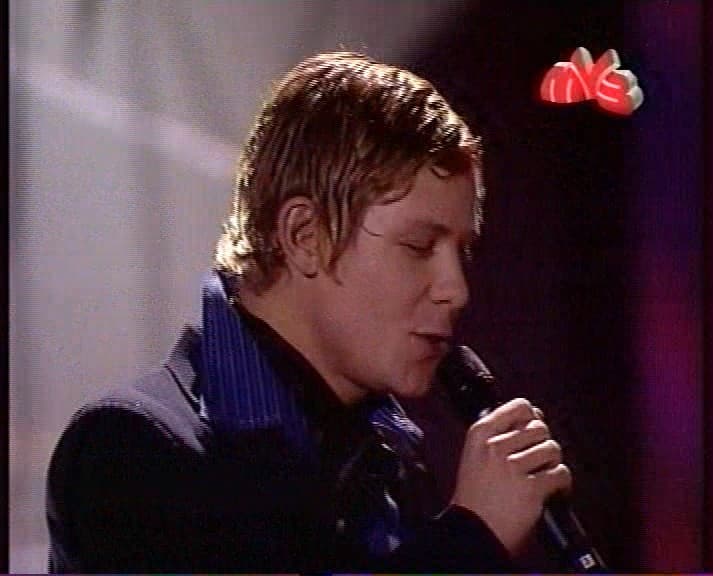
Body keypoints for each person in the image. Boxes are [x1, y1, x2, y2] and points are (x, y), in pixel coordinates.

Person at [46, 51, 572, 573]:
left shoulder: (391, 462)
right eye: (418, 246)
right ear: (304, 236)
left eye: (463, 252)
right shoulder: (134, 452)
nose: (456, 290)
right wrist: (470, 541)